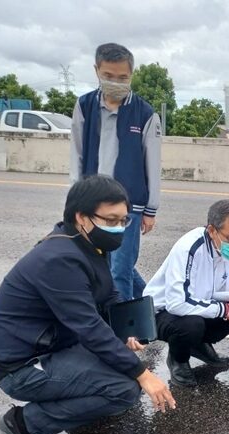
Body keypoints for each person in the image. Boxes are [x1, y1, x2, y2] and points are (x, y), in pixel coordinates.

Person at [0, 176, 176, 434]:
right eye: (110, 219)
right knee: (125, 389)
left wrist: (126, 331)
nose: (118, 228)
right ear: (82, 217)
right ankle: (26, 423)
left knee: (120, 371)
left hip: (55, 347)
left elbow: (107, 298)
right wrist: (143, 374)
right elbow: (88, 326)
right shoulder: (59, 258)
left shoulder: (88, 246)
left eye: (123, 220)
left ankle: (80, 407)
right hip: (21, 367)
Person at [70, 42, 162, 300]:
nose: (116, 82)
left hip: (129, 207)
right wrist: (74, 203)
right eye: (108, 76)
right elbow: (76, 154)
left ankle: (123, 334)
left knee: (120, 270)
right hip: (92, 204)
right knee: (101, 266)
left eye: (123, 77)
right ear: (97, 70)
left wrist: (150, 209)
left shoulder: (144, 113)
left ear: (131, 75)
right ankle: (152, 310)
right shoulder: (85, 106)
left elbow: (152, 164)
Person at [144, 198, 229, 386]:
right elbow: (177, 303)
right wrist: (227, 311)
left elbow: (221, 288)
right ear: (212, 230)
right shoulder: (190, 247)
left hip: (200, 302)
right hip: (163, 313)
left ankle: (199, 344)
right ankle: (178, 359)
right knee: (191, 324)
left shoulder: (225, 247)